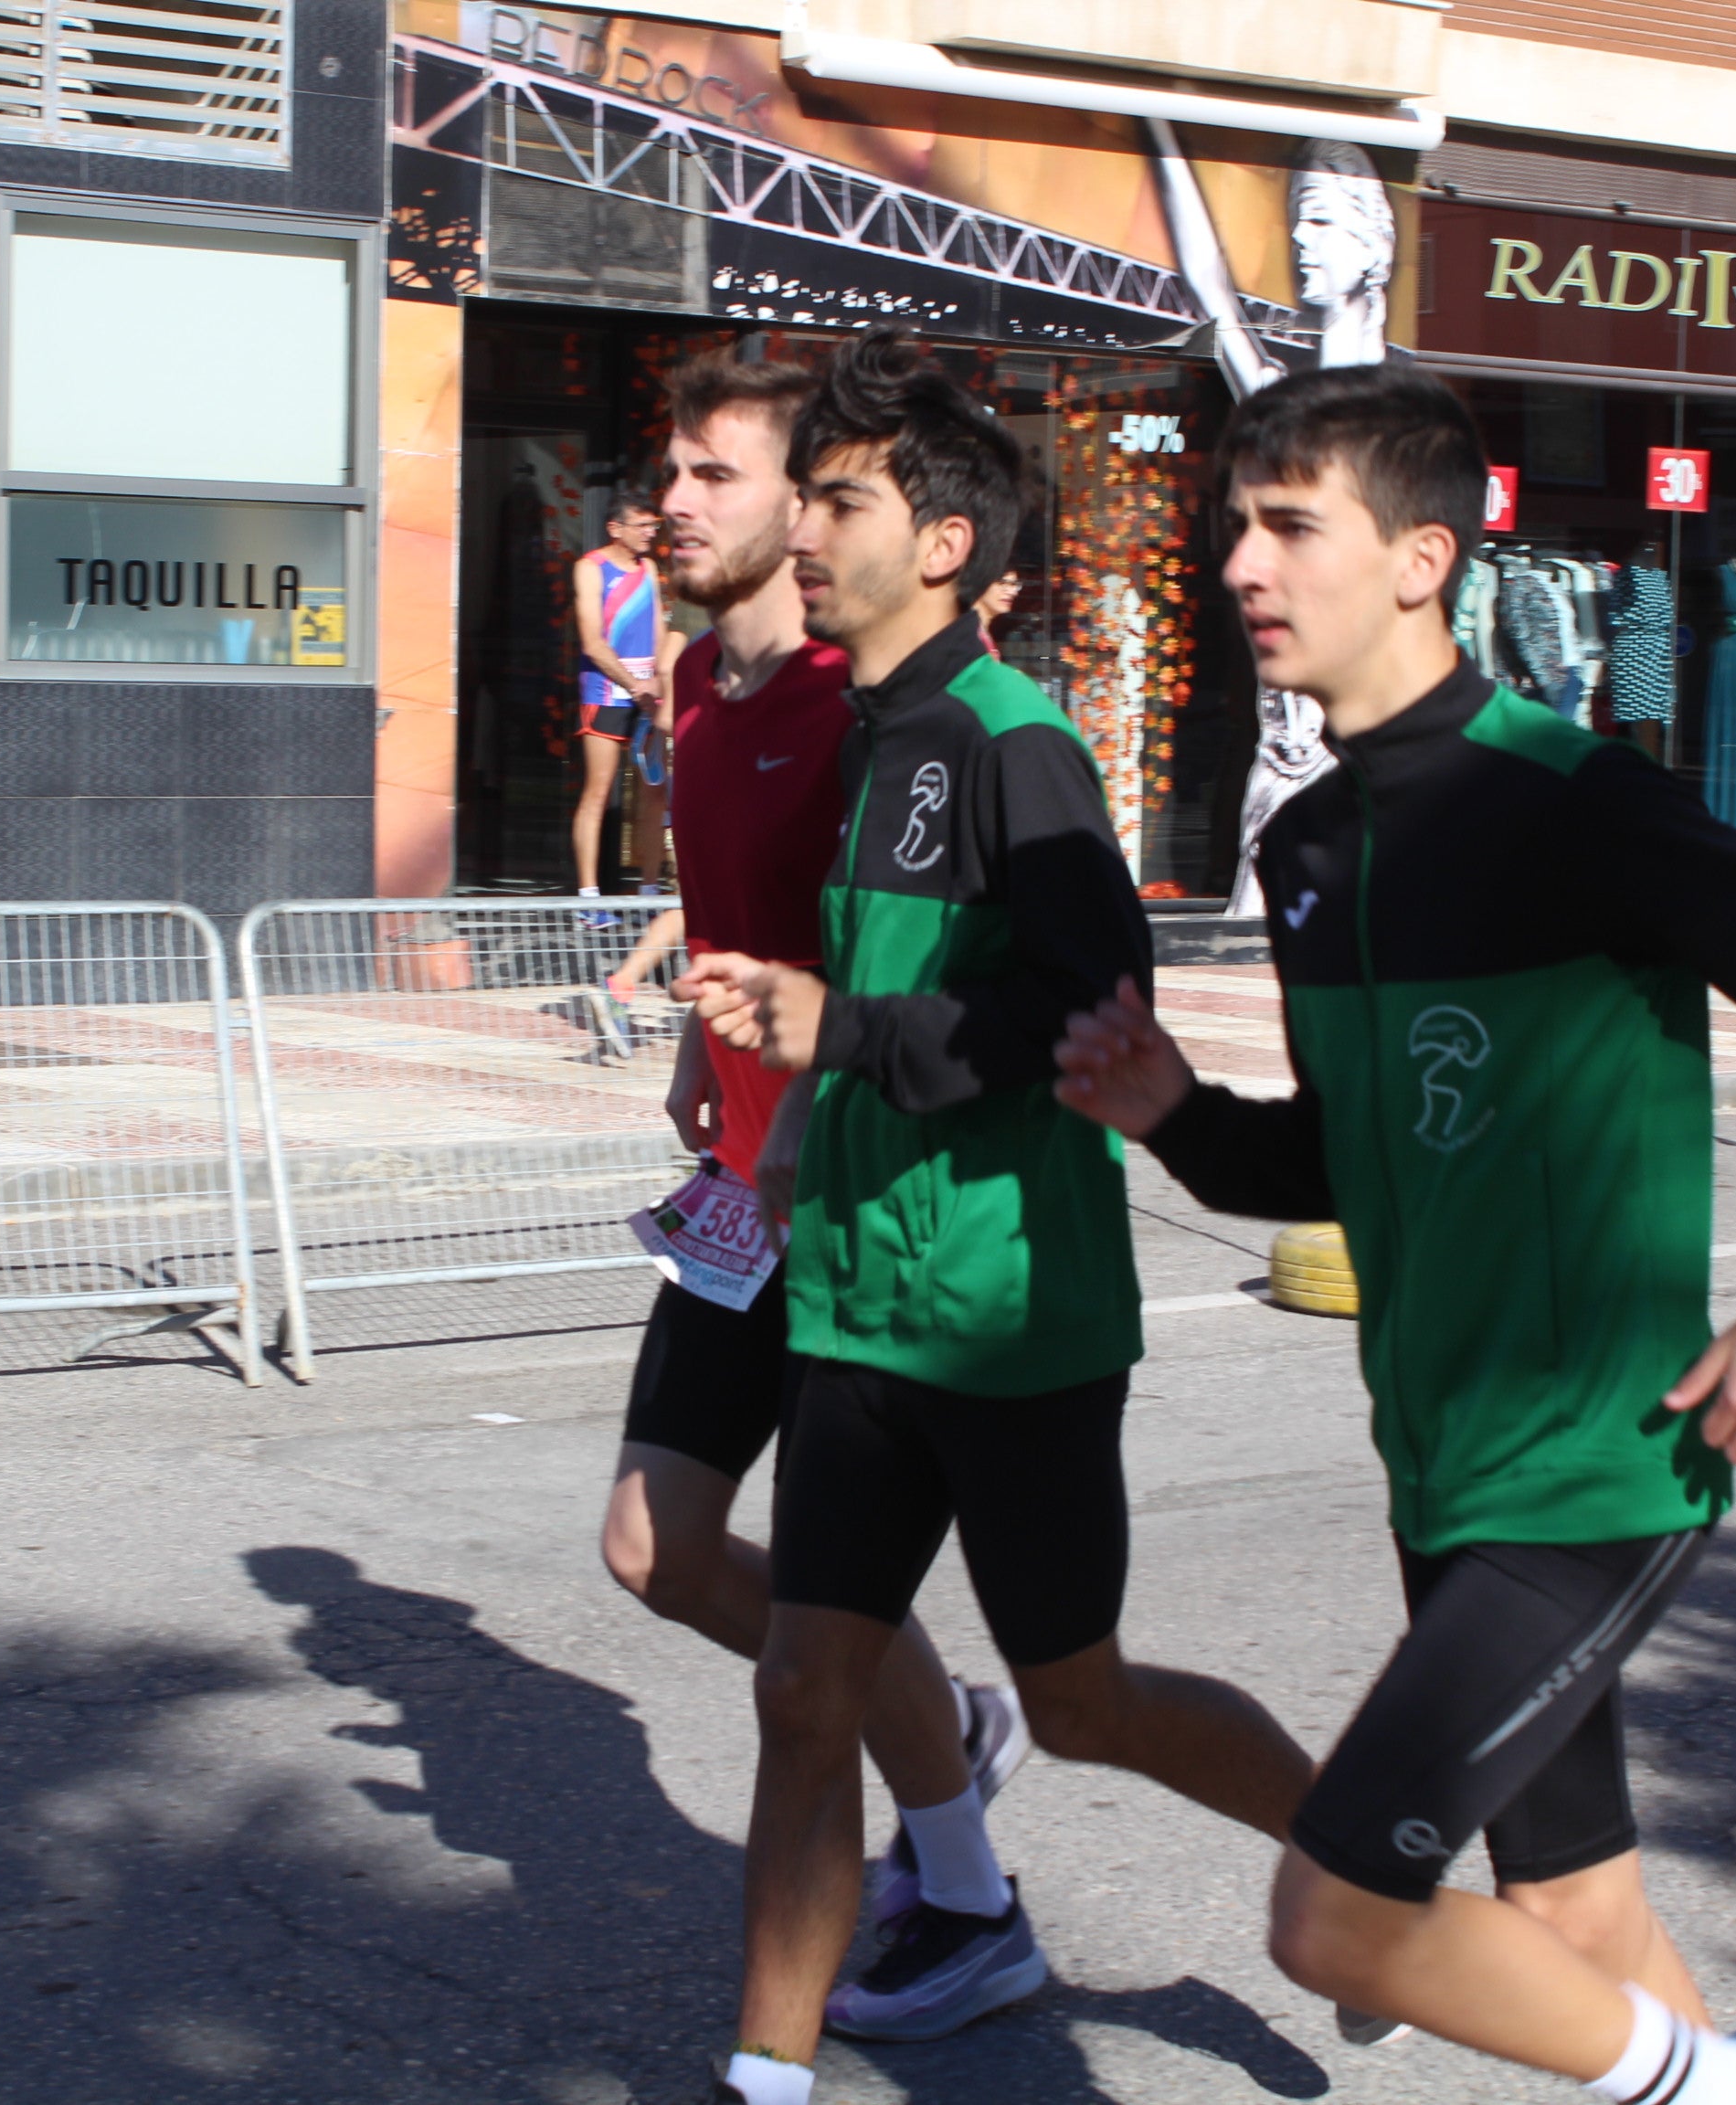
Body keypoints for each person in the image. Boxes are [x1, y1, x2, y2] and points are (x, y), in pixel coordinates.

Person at [1051, 363, 1736, 2105]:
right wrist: (1172, 1114)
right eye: (1238, 520)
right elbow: (1354, 1159)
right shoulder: (1307, 845)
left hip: (1592, 1473)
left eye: (1290, 524)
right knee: (1573, 1902)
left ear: (1421, 558)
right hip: (1443, 1462)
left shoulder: (1567, 796)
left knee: (1334, 1917)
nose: (1240, 561)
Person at [679, 329, 1315, 2105]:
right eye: (801, 497)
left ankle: (1355, 1855)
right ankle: (766, 2079)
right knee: (805, 1693)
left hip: (1008, 1316)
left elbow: (1089, 1009)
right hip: (860, 1308)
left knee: (1088, 1698)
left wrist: (843, 1035)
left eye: (841, 499)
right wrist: (805, 1079)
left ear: (942, 542)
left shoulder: (1012, 745)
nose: (807, 531)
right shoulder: (884, 738)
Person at [599, 352, 1030, 2047]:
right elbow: (736, 892)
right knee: (654, 1542)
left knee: (827, 1639)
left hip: (862, 1200)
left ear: (810, 513)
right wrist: (721, 1042)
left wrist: (818, 1093)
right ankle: (951, 1728)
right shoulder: (699, 677)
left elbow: (928, 952)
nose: (673, 501)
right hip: (741, 1181)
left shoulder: (884, 711)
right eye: (673, 468)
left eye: (715, 473)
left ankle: (969, 1889)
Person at [572, 493, 671, 921]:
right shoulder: (590, 568)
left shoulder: (649, 569)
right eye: (643, 525)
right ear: (616, 528)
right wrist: (635, 686)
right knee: (598, 790)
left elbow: (660, 633)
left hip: (648, 695)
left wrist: (661, 683)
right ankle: (589, 898)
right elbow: (592, 642)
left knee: (653, 793)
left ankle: (648, 891)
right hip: (605, 692)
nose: (652, 532)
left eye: (654, 525)